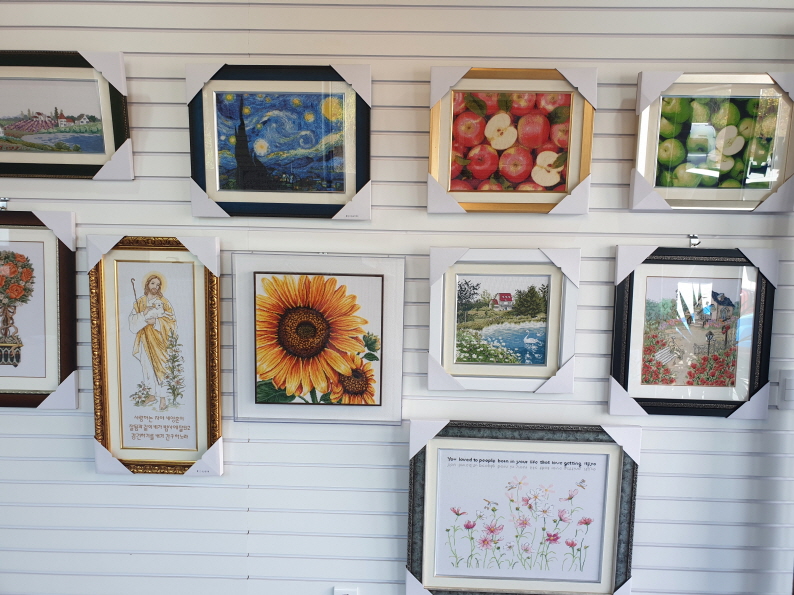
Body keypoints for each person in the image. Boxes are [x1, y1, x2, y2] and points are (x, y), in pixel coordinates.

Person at [128, 274, 176, 411]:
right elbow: (132, 323)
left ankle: (163, 398)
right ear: (147, 284)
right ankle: (151, 395)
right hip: (144, 339)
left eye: (158, 285)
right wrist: (143, 314)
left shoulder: (164, 302)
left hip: (160, 341)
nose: (155, 287)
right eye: (153, 283)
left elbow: (172, 322)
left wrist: (156, 322)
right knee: (147, 367)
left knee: (161, 367)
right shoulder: (139, 302)